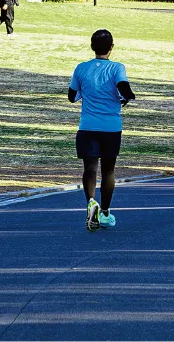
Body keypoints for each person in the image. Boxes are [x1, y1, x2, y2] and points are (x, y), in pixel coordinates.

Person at [69, 28, 134, 232]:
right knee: (108, 170)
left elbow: (72, 96)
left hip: (87, 126)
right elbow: (124, 88)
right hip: (111, 128)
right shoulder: (117, 68)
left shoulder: (81, 68)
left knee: (90, 168)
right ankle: (105, 212)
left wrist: (83, 94)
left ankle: (90, 202)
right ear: (111, 48)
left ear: (91, 46)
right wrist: (128, 97)